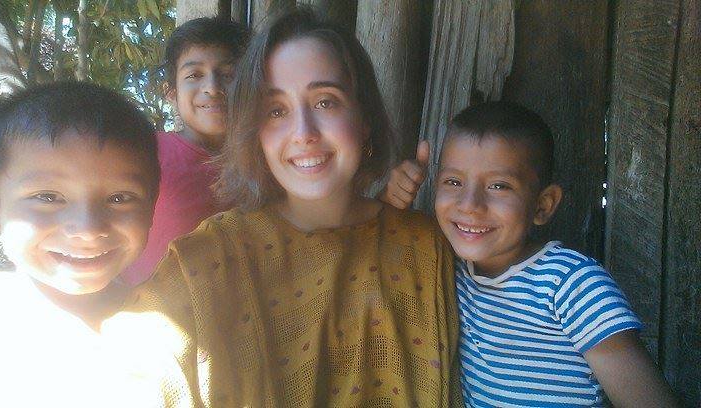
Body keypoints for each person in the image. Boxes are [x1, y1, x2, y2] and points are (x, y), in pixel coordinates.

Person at [103, 9, 461, 406]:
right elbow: (135, 363)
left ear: (364, 119)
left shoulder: (425, 247)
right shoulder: (207, 258)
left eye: (325, 102)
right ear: (255, 132)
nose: (303, 133)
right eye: (276, 110)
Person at [386, 101, 678, 407]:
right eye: (454, 182)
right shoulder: (447, 269)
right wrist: (390, 203)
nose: (469, 204)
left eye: (499, 186)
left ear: (543, 205)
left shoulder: (571, 284)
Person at [0, 81, 161, 407]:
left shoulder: (167, 326)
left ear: (151, 209)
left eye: (119, 198)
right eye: (48, 197)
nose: (88, 230)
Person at [121, 17, 250, 286]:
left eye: (228, 75)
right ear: (171, 93)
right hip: (142, 303)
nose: (212, 88)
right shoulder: (145, 152)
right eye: (194, 75)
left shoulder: (266, 163)